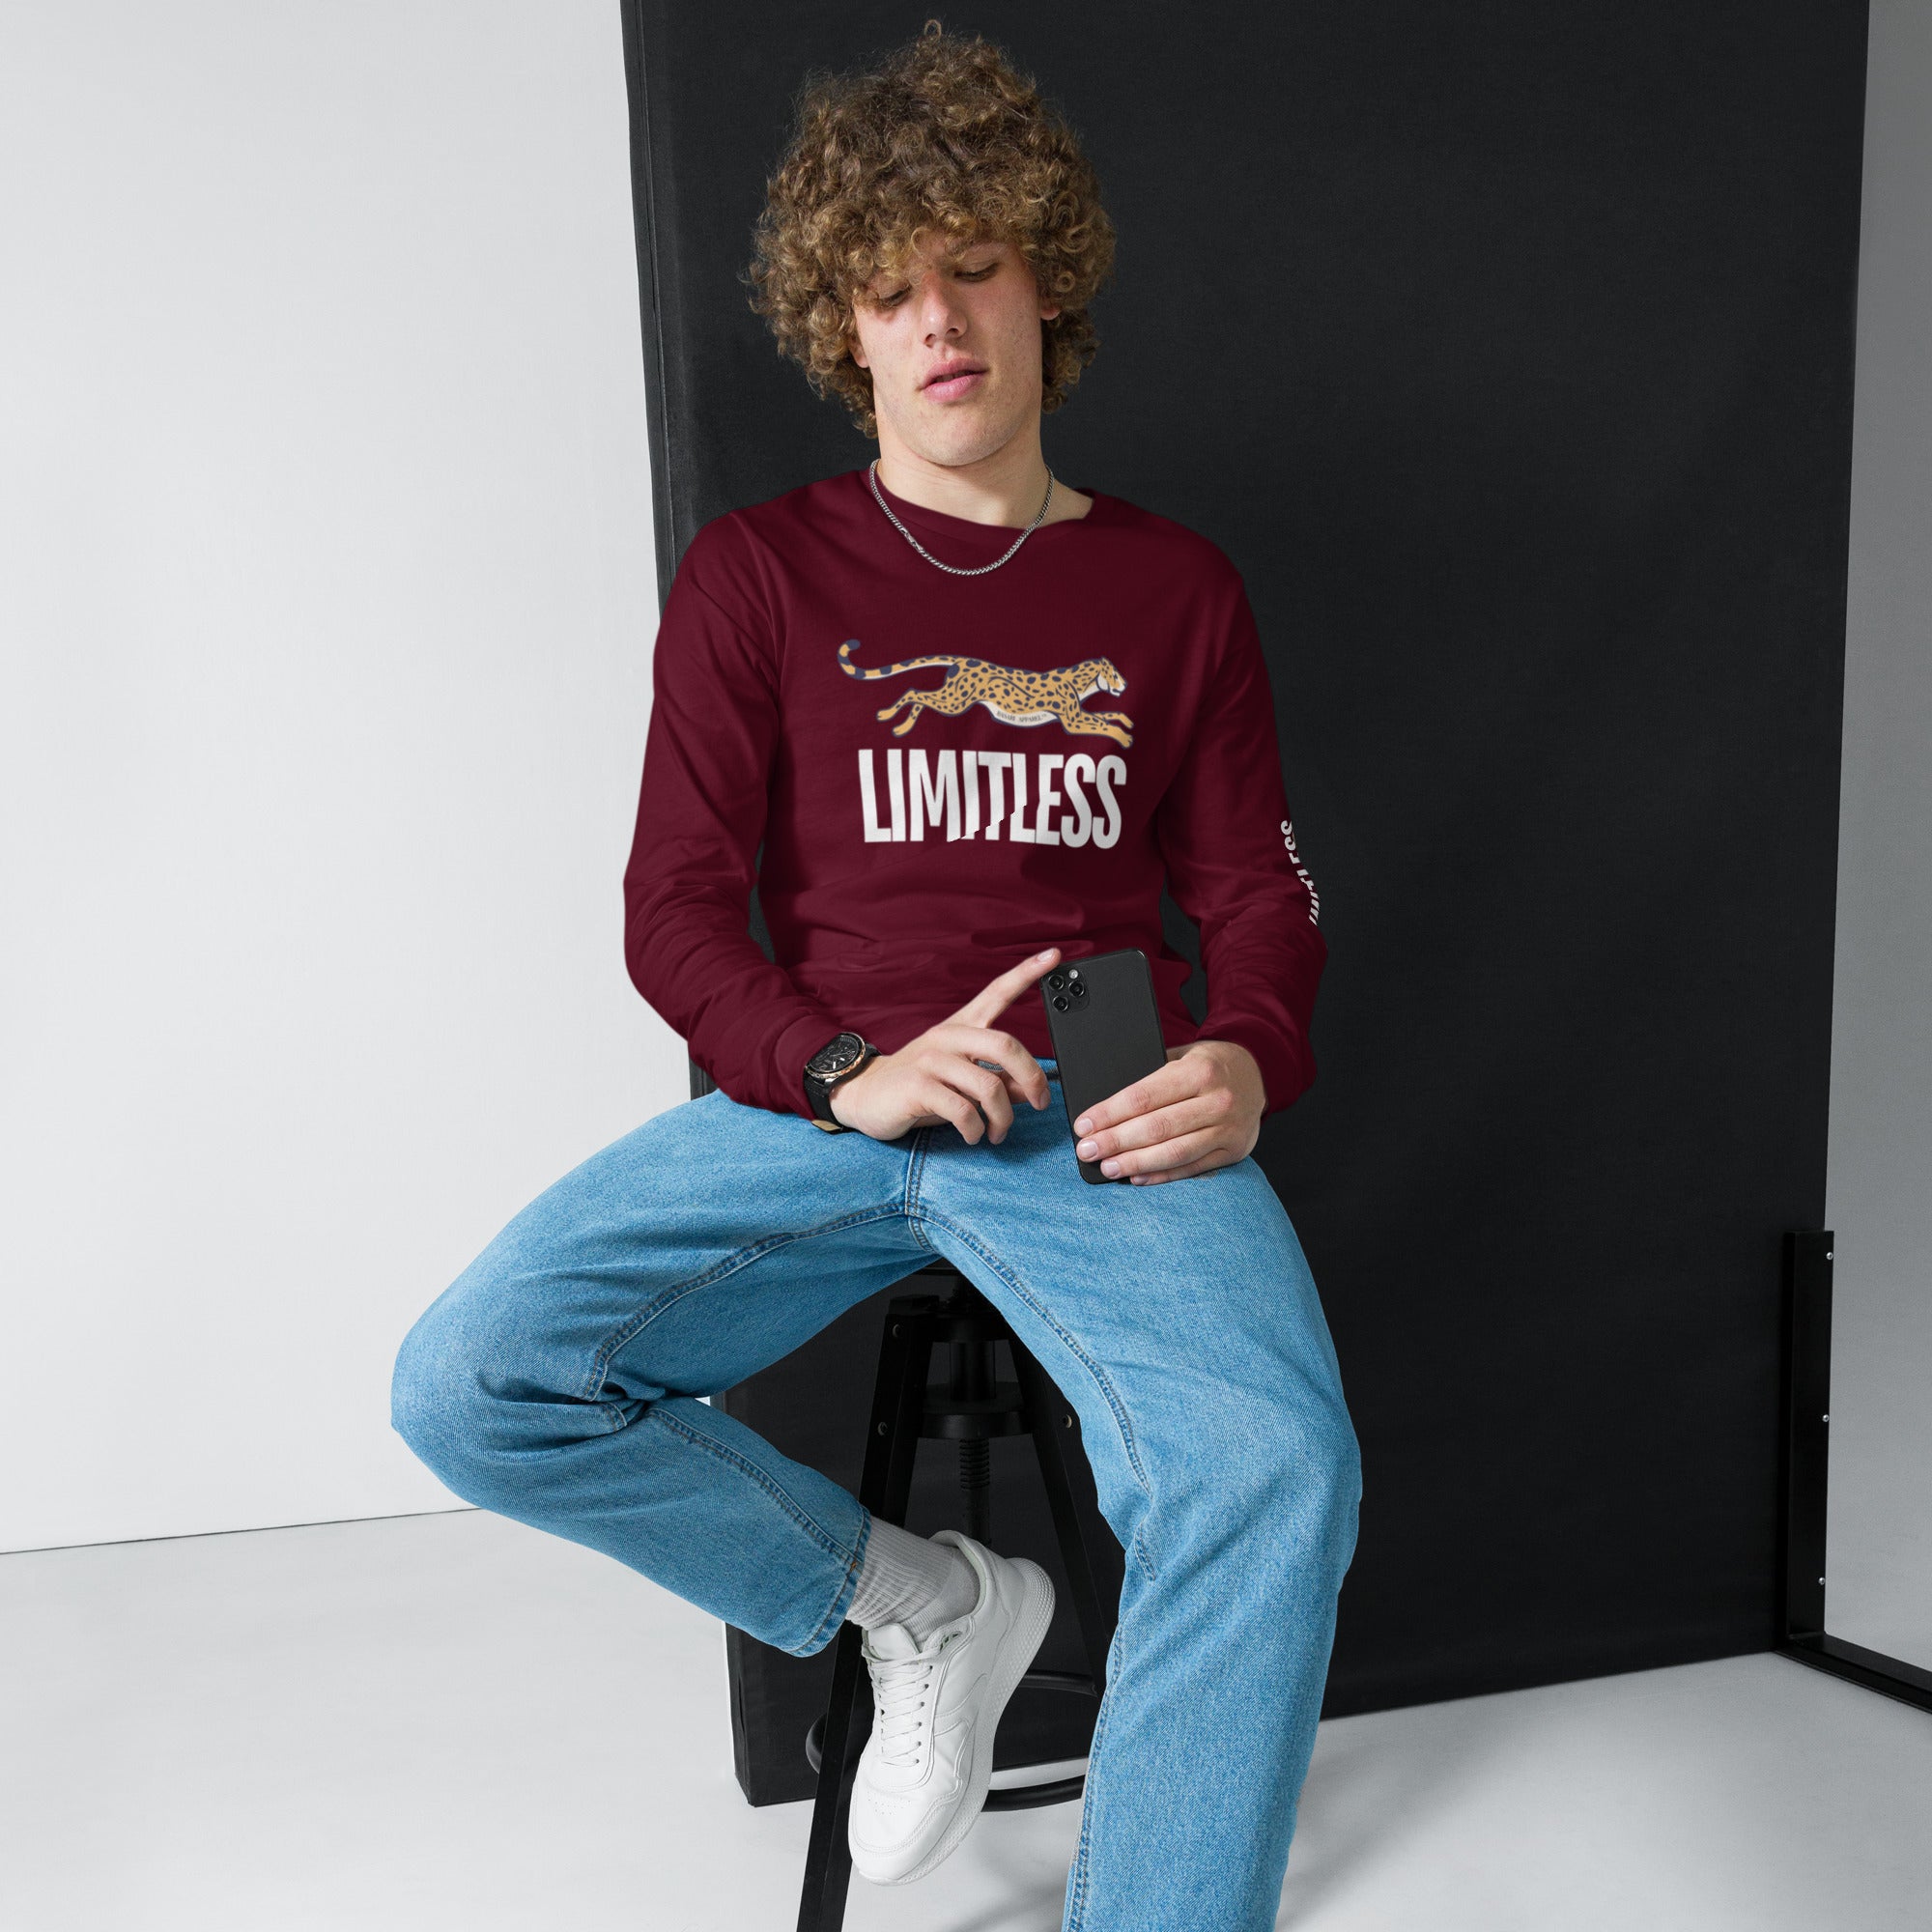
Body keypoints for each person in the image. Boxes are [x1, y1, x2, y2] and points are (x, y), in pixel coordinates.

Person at [391, 26, 1359, 1931]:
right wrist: (840, 1066)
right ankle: (913, 1602)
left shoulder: (1175, 591)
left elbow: (1255, 887)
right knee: (471, 1380)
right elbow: (675, 912)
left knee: (1272, 1468)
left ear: (1041, 280)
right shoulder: (759, 574)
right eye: (890, 287)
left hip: (1092, 1057)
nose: (938, 320)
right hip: (837, 1070)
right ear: (846, 326)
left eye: (972, 266)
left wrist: (1251, 1049)